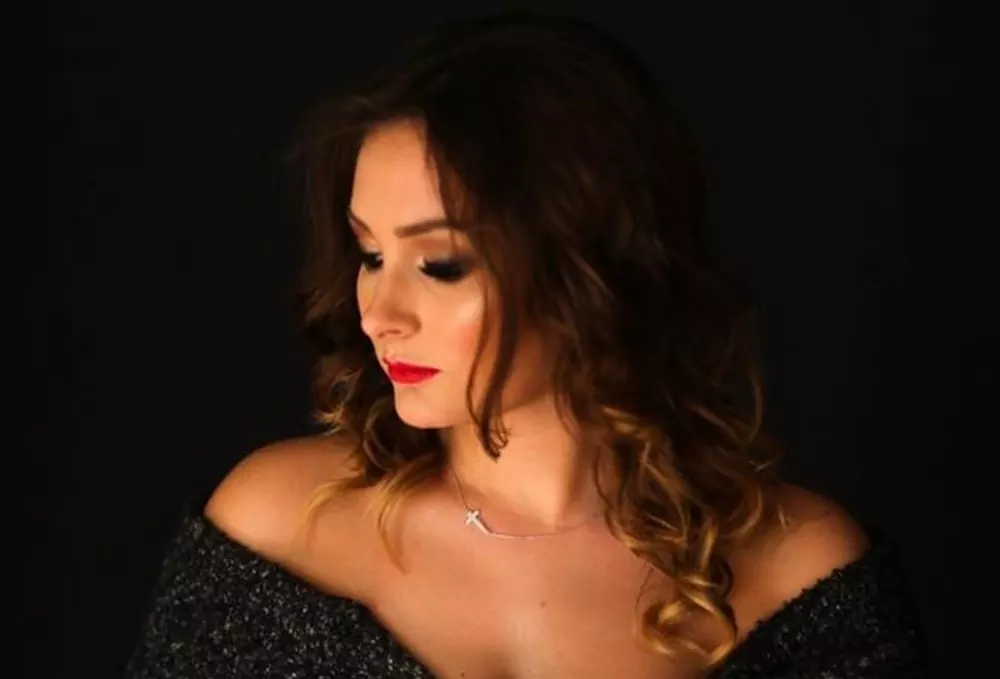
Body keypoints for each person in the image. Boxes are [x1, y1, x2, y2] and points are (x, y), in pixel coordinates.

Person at [124, 12, 930, 679]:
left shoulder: (800, 575)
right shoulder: (274, 531)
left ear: (588, 267)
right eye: (370, 254)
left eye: (440, 264)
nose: (378, 313)